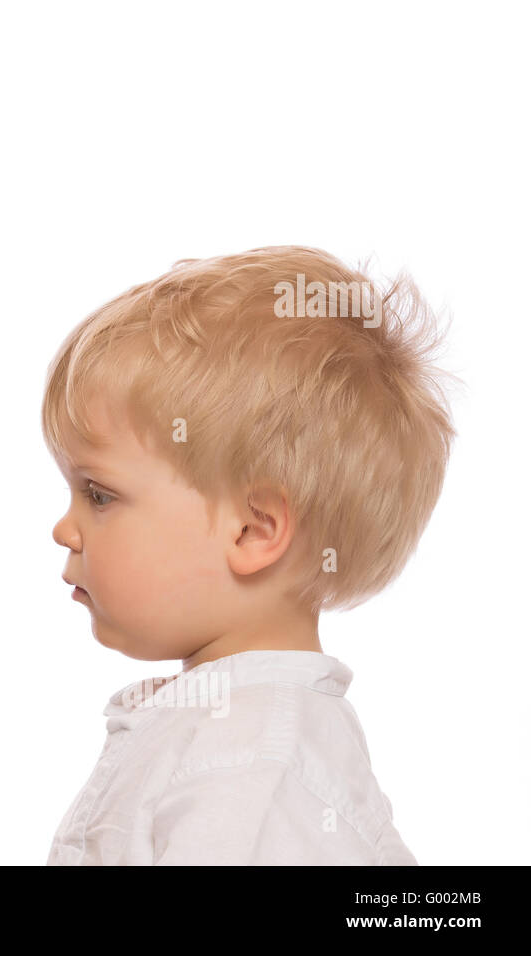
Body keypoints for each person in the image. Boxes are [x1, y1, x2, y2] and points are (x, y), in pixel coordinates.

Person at [42, 246, 456, 865]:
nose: (64, 529)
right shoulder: (218, 733)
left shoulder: (251, 764)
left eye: (98, 494)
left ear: (253, 532)